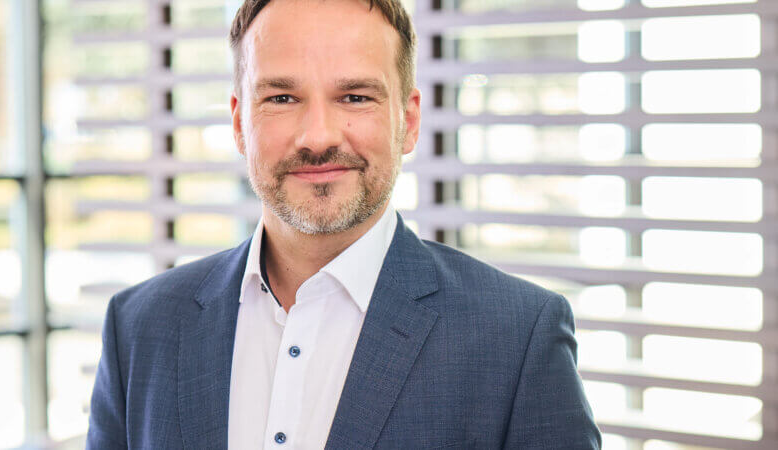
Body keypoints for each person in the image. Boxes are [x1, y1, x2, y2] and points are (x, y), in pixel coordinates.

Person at [86, 0, 601, 448]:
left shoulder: (517, 339)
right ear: (240, 123)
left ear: (408, 121)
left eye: (355, 97)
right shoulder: (139, 328)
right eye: (282, 98)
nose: (318, 136)